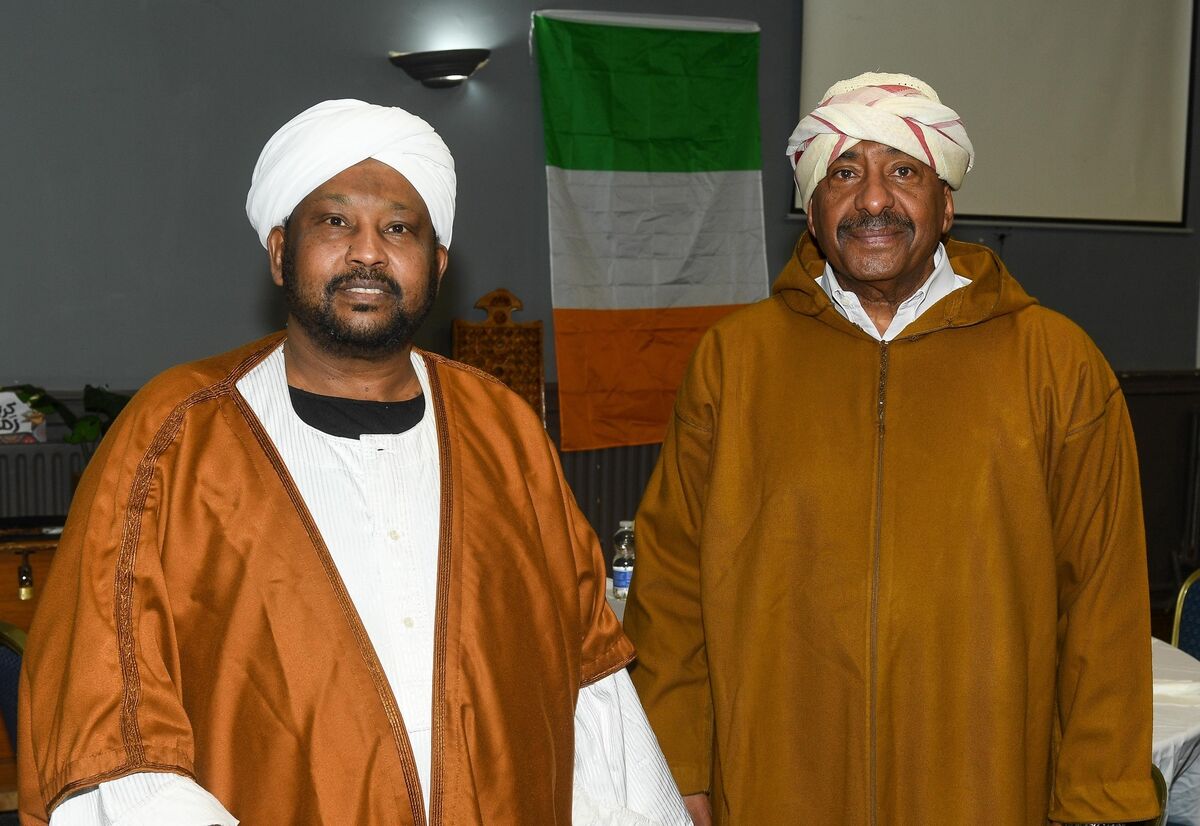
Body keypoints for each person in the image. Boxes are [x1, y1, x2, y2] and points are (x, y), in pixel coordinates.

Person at [19, 99, 690, 826]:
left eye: (398, 228)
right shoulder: (178, 435)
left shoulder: (506, 432)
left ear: (437, 264)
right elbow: (112, 719)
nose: (368, 252)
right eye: (336, 222)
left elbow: (589, 691)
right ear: (280, 251)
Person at [623, 72, 1161, 825]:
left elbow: (1104, 607)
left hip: (982, 788)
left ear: (946, 205)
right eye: (844, 174)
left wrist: (1099, 802)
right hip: (779, 783)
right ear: (812, 210)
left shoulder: (1056, 365)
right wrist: (677, 769)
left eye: (904, 172)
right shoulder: (735, 363)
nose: (873, 200)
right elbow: (670, 588)